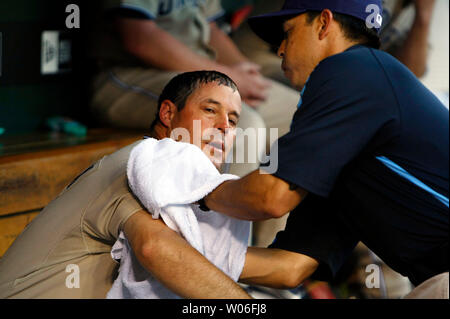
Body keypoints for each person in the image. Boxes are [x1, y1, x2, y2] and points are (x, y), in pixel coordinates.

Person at [202, 0, 449, 299]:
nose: (280, 49)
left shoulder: (353, 69)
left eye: (288, 33)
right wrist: (185, 249)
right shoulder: (348, 148)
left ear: (323, 23)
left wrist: (201, 192)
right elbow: (290, 266)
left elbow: (270, 197)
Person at [0, 71, 315, 299]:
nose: (223, 126)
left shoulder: (182, 190)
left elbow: (287, 271)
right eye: (209, 110)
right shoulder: (146, 161)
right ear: (168, 113)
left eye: (233, 121)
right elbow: (157, 248)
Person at [88, 0, 300, 179]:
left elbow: (211, 30)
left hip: (202, 73)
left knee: (296, 113)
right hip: (129, 75)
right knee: (243, 125)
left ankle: (269, 229)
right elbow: (138, 37)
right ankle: (224, 224)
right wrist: (229, 77)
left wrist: (248, 77)